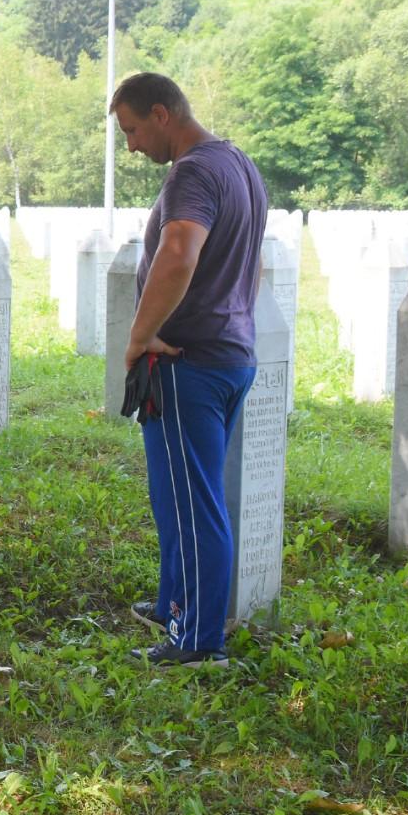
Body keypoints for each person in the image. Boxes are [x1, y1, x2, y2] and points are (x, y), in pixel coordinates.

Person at [115, 72, 267, 668]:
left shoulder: (192, 172)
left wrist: (140, 337)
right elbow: (246, 262)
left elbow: (180, 251)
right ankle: (173, 604)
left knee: (194, 502)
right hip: (229, 353)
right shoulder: (239, 165)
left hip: (191, 363)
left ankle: (198, 641)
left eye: (131, 130)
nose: (130, 146)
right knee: (175, 493)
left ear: (161, 114)